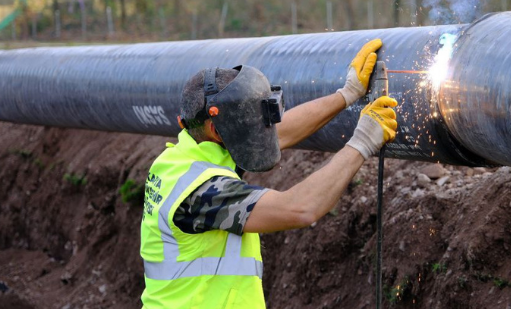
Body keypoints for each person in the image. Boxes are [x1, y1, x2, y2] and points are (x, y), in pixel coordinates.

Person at [140, 39, 398, 308]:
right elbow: (300, 208)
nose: (262, 130)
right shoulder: (203, 192)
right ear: (217, 130)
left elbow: (279, 134)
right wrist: (362, 142)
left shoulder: (186, 157)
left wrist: (347, 94)